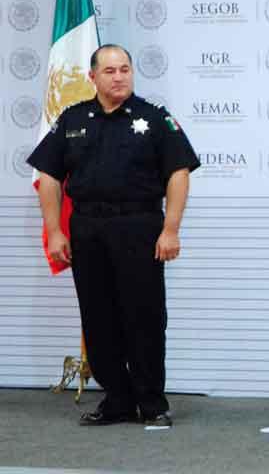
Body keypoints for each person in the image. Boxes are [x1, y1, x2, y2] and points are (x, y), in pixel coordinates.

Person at [28, 44, 200, 427]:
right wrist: (54, 231)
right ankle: (118, 400)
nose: (119, 77)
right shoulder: (73, 119)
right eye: (110, 71)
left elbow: (178, 172)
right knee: (98, 318)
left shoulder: (154, 118)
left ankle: (152, 404)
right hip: (87, 230)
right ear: (92, 77)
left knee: (145, 317)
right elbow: (49, 176)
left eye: (125, 69)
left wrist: (171, 229)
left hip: (139, 228)